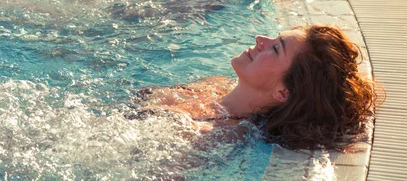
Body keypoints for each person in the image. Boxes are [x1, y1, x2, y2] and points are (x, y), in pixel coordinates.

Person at [133, 24, 381, 150]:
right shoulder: (215, 85)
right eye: (274, 37)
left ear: (283, 92)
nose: (260, 40)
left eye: (275, 47)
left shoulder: (215, 136)